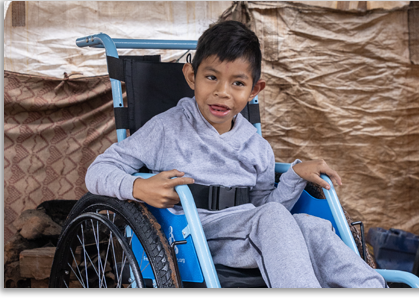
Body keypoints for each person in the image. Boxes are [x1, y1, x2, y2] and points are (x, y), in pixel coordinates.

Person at [86, 20, 386, 288]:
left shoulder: (257, 147)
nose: (223, 92)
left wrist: (293, 176)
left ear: (255, 89)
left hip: (248, 233)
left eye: (238, 83)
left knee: (311, 226)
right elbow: (97, 171)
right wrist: (139, 187)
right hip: (192, 236)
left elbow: (266, 207)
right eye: (212, 78)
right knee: (273, 219)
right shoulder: (166, 128)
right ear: (191, 76)